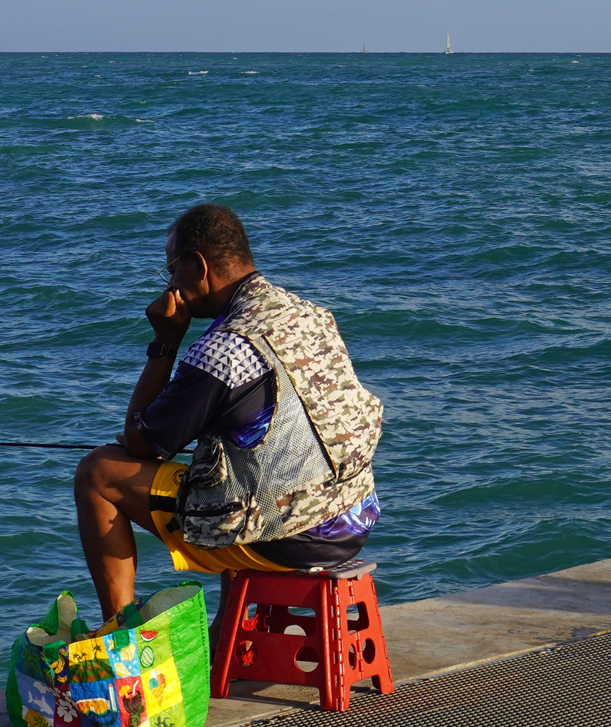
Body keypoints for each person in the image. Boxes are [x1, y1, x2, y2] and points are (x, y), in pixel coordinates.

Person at [73, 203, 383, 625]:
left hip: (289, 536)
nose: (171, 285)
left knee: (97, 473)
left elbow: (142, 440)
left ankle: (117, 632)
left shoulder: (225, 347)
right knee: (229, 468)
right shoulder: (309, 314)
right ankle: (228, 631)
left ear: (198, 266)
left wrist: (166, 341)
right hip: (352, 518)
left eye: (171, 271)